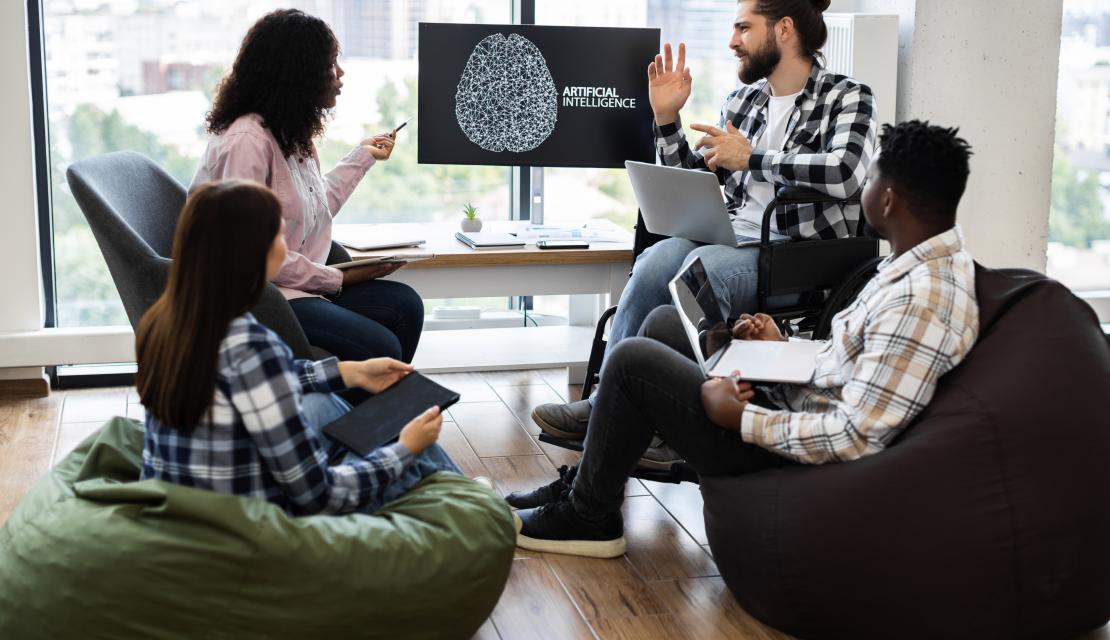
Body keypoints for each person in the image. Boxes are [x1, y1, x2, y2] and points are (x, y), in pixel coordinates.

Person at [508, 120, 980, 558]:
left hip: (784, 450)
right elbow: (853, 365)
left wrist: (741, 417)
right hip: (790, 401)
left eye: (871, 180)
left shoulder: (924, 298)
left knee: (633, 358)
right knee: (665, 324)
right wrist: (780, 347)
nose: (864, 191)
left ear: (890, 200)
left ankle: (589, 518)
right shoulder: (910, 267)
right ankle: (586, 490)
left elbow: (855, 436)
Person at [531, 0, 878, 454]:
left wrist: (754, 158)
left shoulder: (847, 96)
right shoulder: (743, 101)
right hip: (733, 239)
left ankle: (671, 418)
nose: (732, 41)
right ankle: (606, 404)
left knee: (700, 266)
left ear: (785, 30)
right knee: (658, 260)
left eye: (743, 28)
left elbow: (845, 171)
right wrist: (666, 119)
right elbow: (704, 178)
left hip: (797, 254)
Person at [137, 180, 459, 516]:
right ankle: (484, 512)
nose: (285, 247)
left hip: (185, 500)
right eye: (278, 236)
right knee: (402, 444)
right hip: (252, 523)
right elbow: (320, 496)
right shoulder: (251, 345)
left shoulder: (166, 322)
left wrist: (351, 372)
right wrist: (406, 448)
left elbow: (254, 379)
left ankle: (471, 500)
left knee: (322, 401)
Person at [192, 8, 424, 373]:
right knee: (380, 344)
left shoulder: (289, 134)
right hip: (257, 296)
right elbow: (248, 257)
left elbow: (313, 208)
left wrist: (363, 156)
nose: (341, 74)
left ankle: (362, 422)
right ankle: (353, 423)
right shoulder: (246, 143)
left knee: (405, 306)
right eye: (333, 64)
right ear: (299, 74)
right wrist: (338, 277)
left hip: (295, 285)